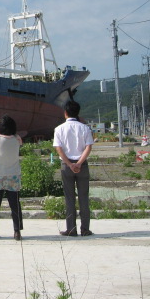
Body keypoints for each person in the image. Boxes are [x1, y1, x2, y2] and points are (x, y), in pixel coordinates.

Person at [53, 100, 95, 237]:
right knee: (84, 197)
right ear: (78, 112)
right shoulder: (85, 128)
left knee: (69, 198)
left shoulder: (59, 129)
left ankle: (71, 229)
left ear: (65, 113)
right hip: (82, 165)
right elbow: (89, 147)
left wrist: (70, 164)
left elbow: (58, 149)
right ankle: (85, 229)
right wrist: (79, 163)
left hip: (66, 166)